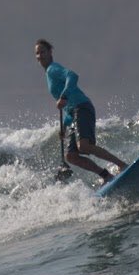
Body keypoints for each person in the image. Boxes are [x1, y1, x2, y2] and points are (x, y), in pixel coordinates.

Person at [34, 39, 126, 182]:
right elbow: (67, 107)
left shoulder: (53, 69)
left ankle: (122, 165)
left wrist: (63, 96)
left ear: (50, 52)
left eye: (42, 52)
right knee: (71, 156)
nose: (40, 55)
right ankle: (106, 176)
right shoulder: (48, 75)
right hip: (74, 112)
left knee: (84, 146)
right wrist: (64, 127)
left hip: (82, 107)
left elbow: (72, 75)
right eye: (37, 53)